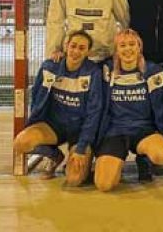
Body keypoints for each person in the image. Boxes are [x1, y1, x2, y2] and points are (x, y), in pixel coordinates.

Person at [13, 30, 103, 185]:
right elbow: (37, 97)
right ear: (66, 46)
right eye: (73, 46)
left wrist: (81, 148)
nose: (76, 51)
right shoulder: (49, 67)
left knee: (74, 179)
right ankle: (55, 155)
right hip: (54, 127)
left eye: (82, 48)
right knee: (21, 143)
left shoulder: (93, 72)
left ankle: (77, 158)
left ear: (88, 52)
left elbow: (93, 114)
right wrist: (34, 123)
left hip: (79, 131)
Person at [94, 29, 163, 192]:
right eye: (122, 45)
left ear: (139, 47)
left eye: (132, 44)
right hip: (115, 131)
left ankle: (143, 158)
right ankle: (116, 161)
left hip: (143, 130)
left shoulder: (153, 71)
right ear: (116, 50)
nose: (128, 49)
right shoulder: (107, 70)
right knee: (104, 185)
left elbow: (161, 108)